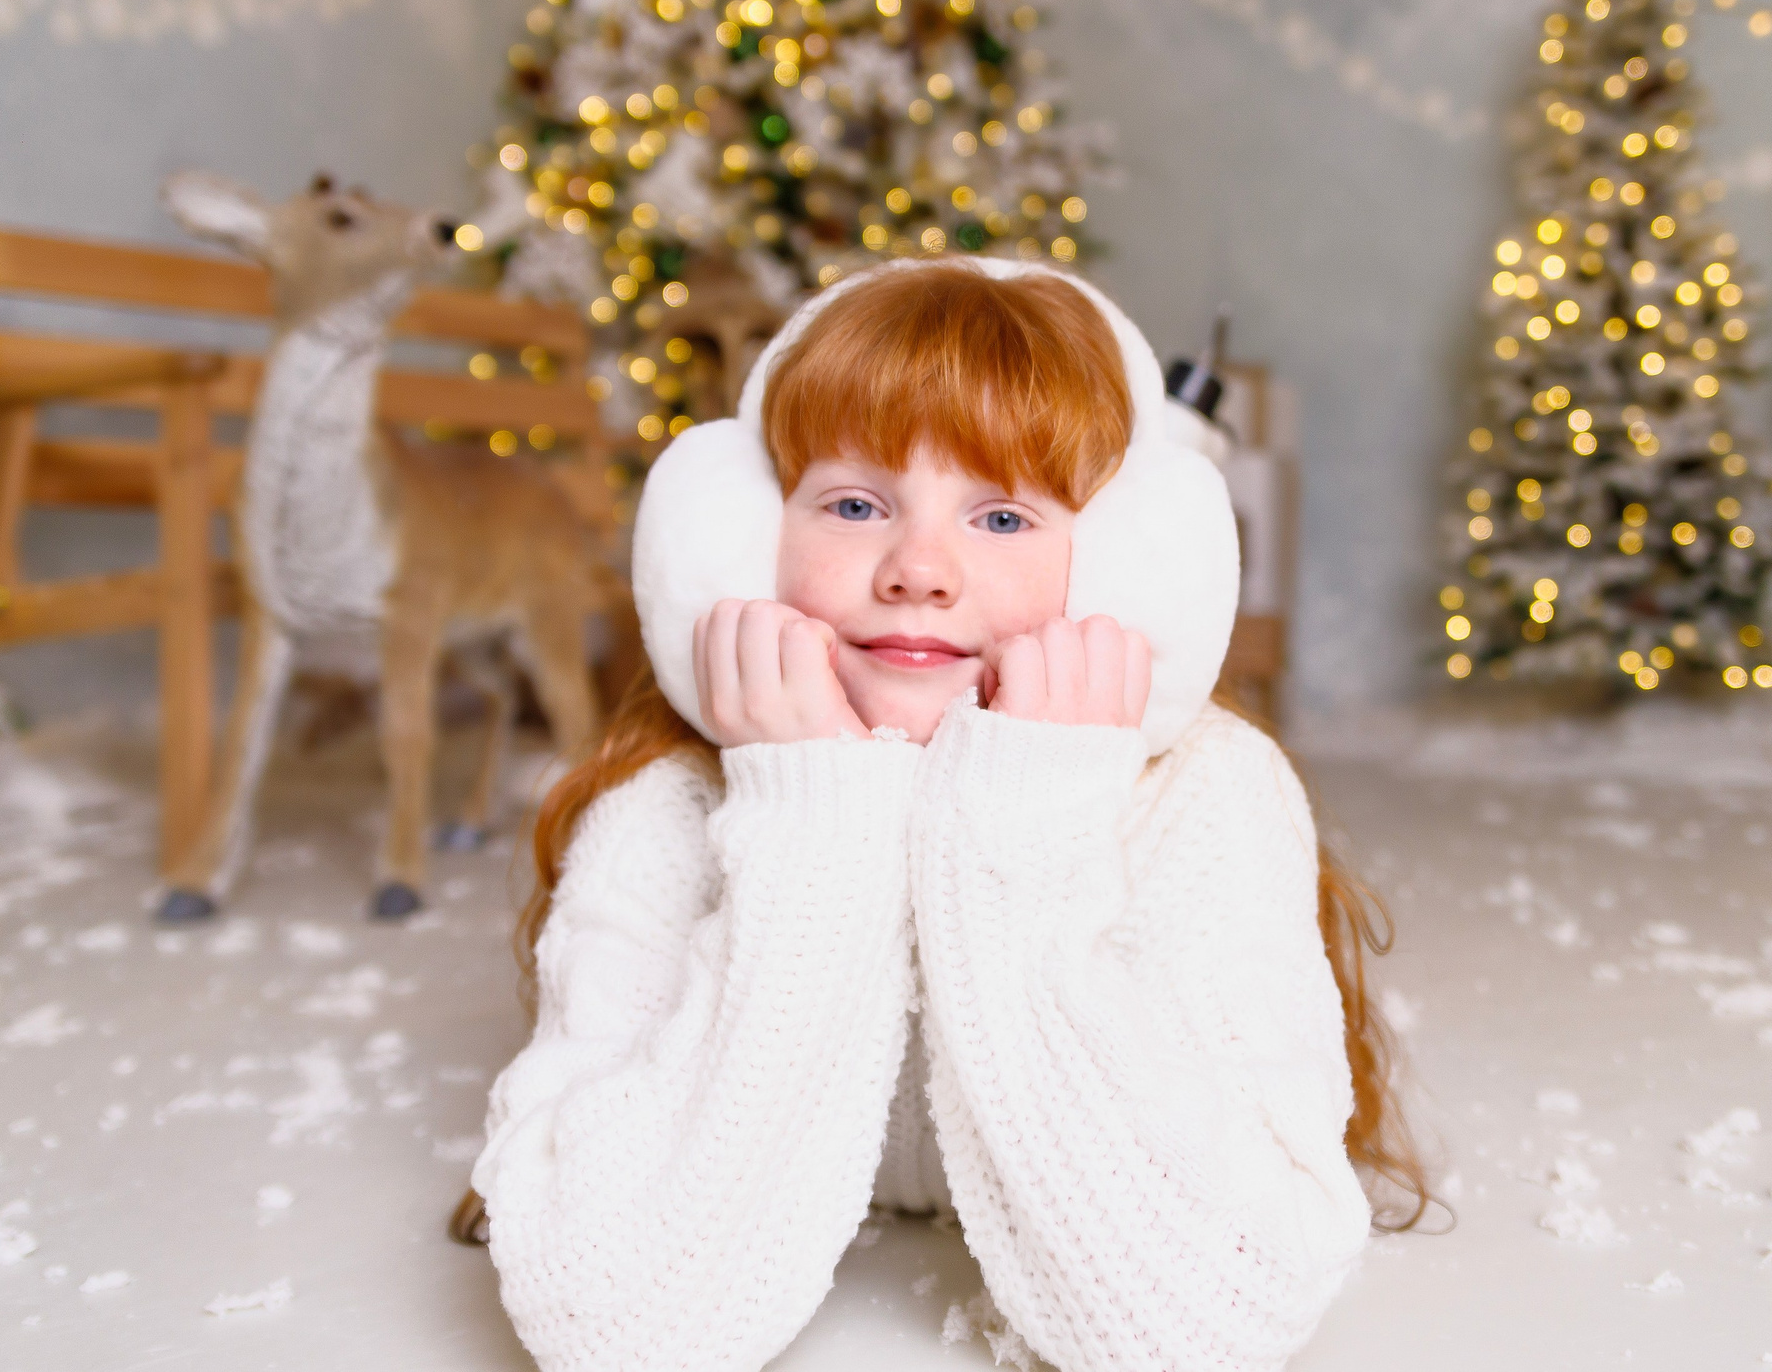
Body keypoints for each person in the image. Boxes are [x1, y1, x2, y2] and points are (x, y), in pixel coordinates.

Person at [466, 258, 1428, 1372]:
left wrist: (1030, 831)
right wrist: (810, 827)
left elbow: (1198, 1329)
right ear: (742, 542)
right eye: (855, 503)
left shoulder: (1210, 791)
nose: (918, 569)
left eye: (1004, 514)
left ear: (1121, 567)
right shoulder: (670, 802)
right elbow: (621, 1331)